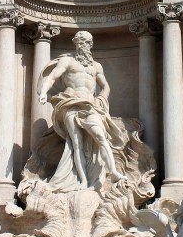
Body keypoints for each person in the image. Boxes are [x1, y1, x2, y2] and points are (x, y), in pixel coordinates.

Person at [37, 30, 127, 192]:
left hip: (91, 105)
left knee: (100, 136)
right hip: (70, 103)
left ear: (90, 44)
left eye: (84, 42)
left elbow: (105, 87)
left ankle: (113, 171)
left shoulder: (96, 66)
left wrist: (101, 99)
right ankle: (83, 181)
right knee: (76, 142)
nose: (81, 45)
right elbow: (53, 77)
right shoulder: (67, 60)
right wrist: (44, 92)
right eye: (78, 42)